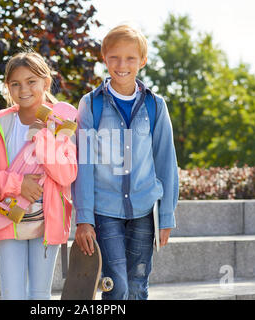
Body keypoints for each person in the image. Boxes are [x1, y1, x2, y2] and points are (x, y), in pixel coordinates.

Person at [72, 24, 179, 300]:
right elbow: (82, 164)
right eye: (115, 58)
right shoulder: (90, 104)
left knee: (137, 285)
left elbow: (166, 161)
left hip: (145, 210)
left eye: (130, 58)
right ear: (104, 58)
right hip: (104, 211)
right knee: (115, 285)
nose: (122, 65)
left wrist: (166, 215)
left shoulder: (156, 105)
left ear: (142, 61)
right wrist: (84, 219)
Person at [0, 51, 77, 300]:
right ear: (8, 88)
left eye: (31, 81)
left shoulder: (61, 122)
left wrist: (43, 139)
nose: (24, 89)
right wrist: (19, 185)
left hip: (47, 224)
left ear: (45, 83)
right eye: (15, 84)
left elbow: (67, 173)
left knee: (40, 295)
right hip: (8, 217)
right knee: (12, 295)